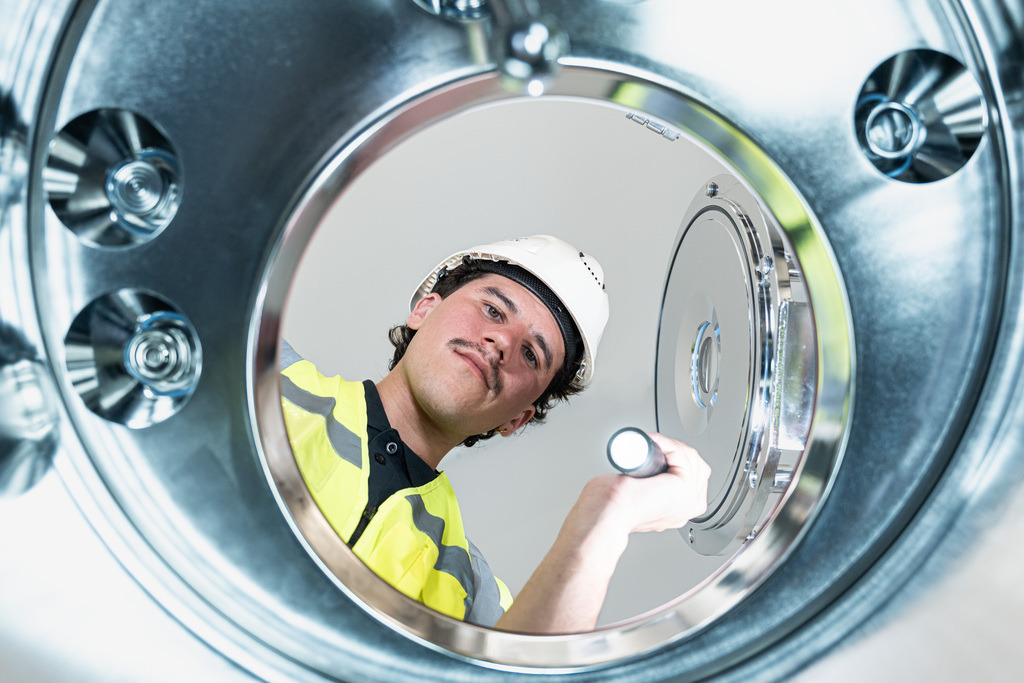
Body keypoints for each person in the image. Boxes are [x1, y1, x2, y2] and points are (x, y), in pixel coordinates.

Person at [280, 235, 710, 634]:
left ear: (517, 419)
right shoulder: (259, 377)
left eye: (530, 353)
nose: (502, 340)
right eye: (492, 310)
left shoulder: (470, 594)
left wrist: (606, 517)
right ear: (424, 310)